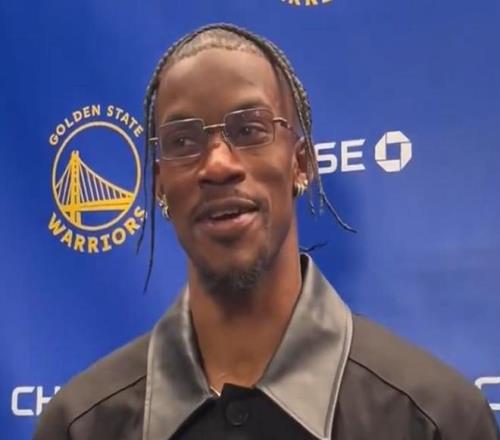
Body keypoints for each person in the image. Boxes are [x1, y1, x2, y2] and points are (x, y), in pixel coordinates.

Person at [35, 23, 499, 440]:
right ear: (159, 185)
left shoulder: (433, 419)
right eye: (183, 141)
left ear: (301, 164)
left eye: (249, 130)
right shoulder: (81, 425)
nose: (217, 164)